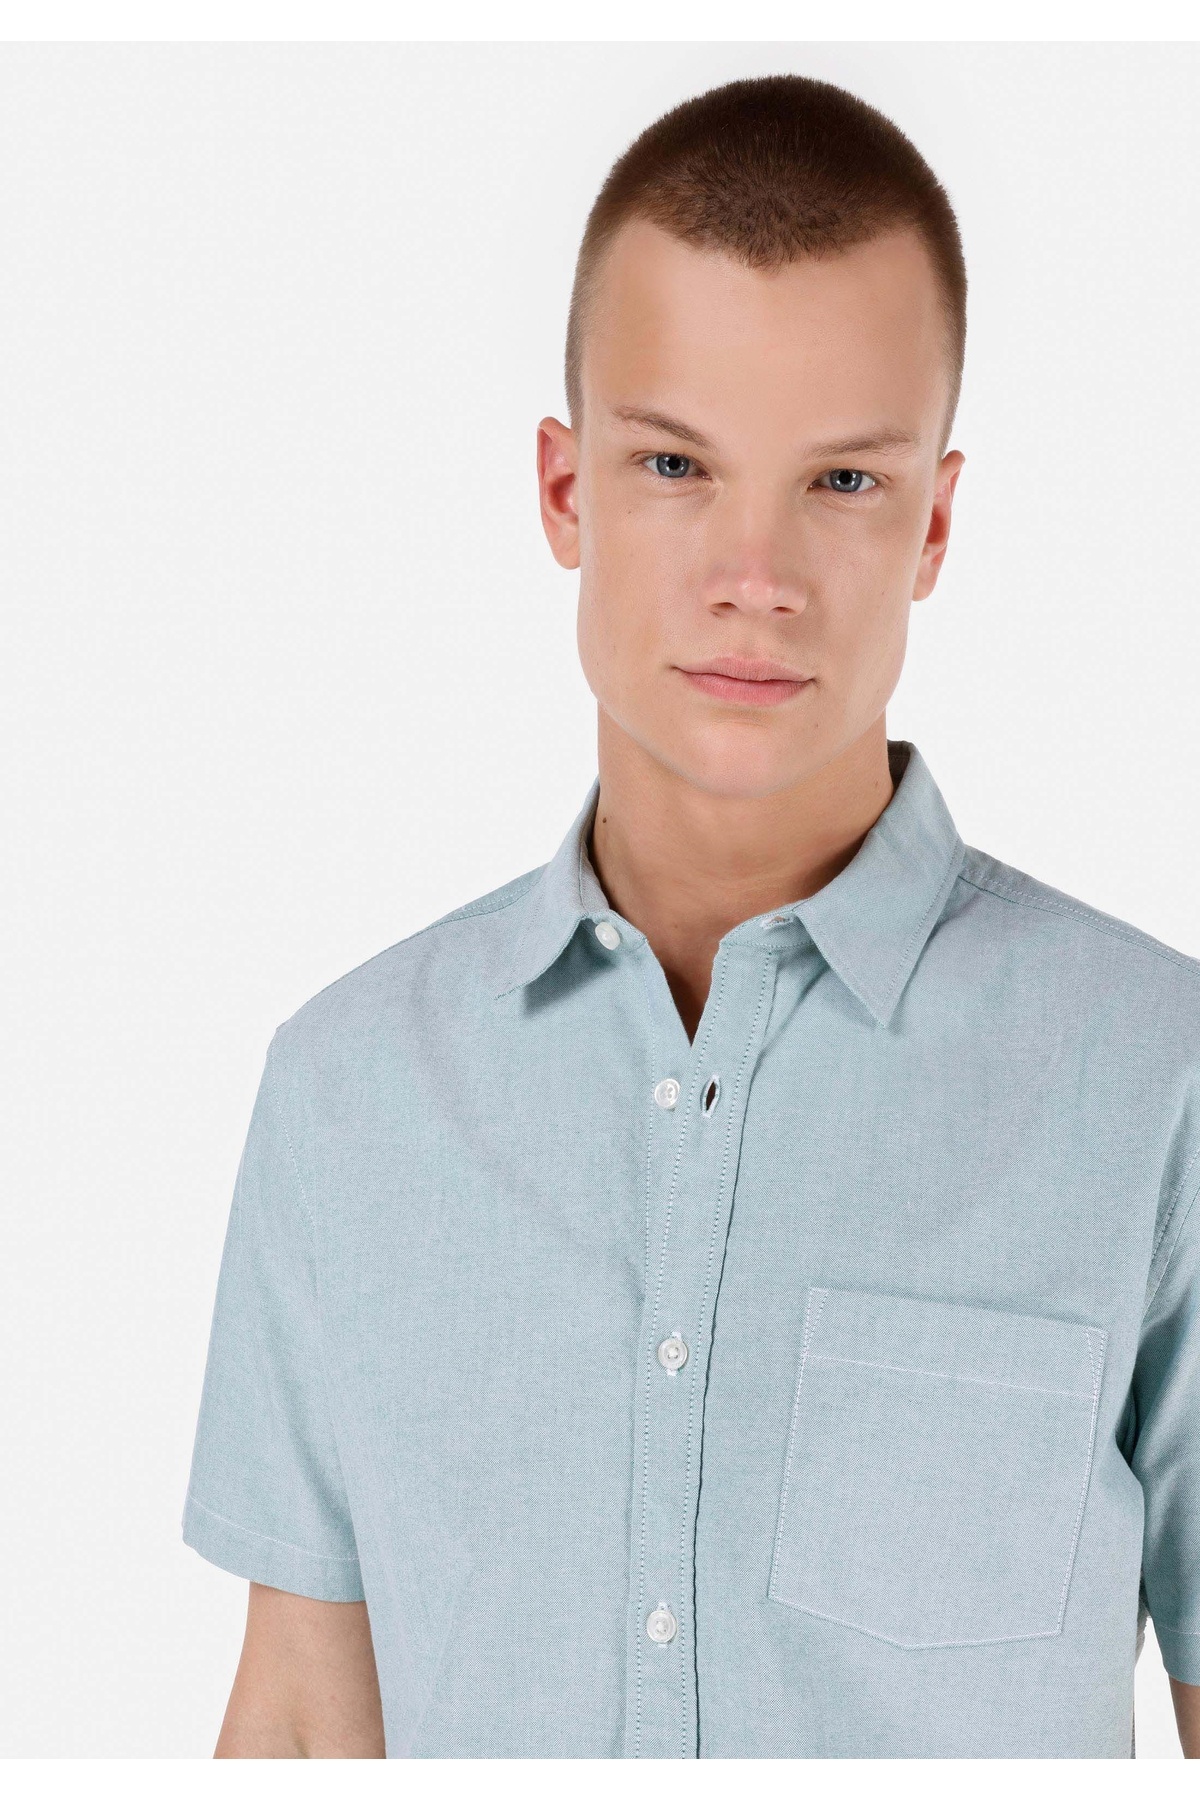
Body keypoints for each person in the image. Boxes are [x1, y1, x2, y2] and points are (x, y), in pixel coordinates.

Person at [181, 72, 1200, 1759]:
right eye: (675, 463)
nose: (757, 577)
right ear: (564, 493)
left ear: (937, 522)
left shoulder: (1154, 1084)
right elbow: (298, 1722)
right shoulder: (348, 1094)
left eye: (843, 482)